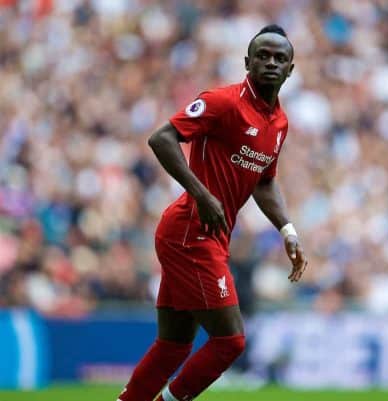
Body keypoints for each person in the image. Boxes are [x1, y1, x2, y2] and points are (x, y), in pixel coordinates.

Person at [117, 24, 308, 401]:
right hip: (191, 230)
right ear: (247, 63)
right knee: (231, 341)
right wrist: (202, 194)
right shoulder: (223, 102)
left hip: (208, 234)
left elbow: (264, 181)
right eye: (263, 56)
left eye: (279, 58)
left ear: (290, 69)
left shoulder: (279, 123)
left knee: (173, 345)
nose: (270, 63)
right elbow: (162, 138)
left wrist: (288, 229)